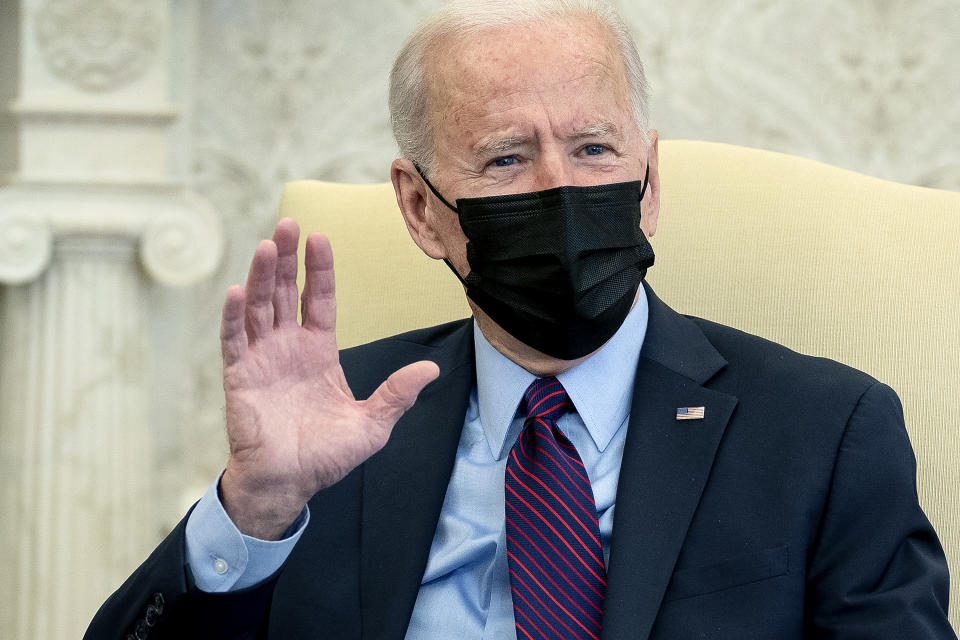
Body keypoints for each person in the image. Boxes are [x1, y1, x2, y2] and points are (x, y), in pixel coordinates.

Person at [86, 1, 955, 638]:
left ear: (648, 183)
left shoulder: (823, 429)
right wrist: (254, 511)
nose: (559, 190)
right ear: (421, 209)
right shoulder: (333, 424)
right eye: (505, 157)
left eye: (593, 149)